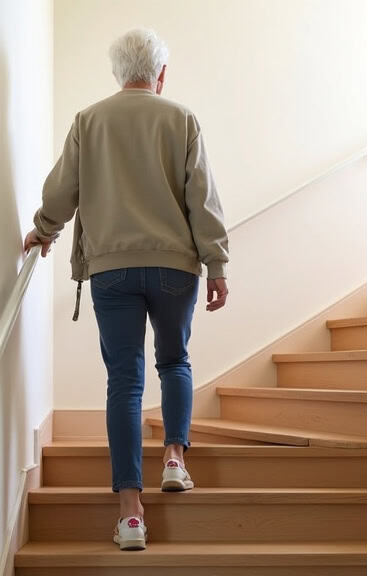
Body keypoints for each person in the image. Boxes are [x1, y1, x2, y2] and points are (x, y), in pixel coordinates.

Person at [23, 28, 230, 551]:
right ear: (161, 74)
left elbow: (62, 190)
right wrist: (217, 264)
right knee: (174, 361)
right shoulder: (180, 118)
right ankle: (177, 460)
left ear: (117, 73)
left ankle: (131, 514)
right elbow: (201, 198)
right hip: (173, 268)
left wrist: (44, 230)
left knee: (125, 382)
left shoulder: (88, 121)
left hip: (112, 269)